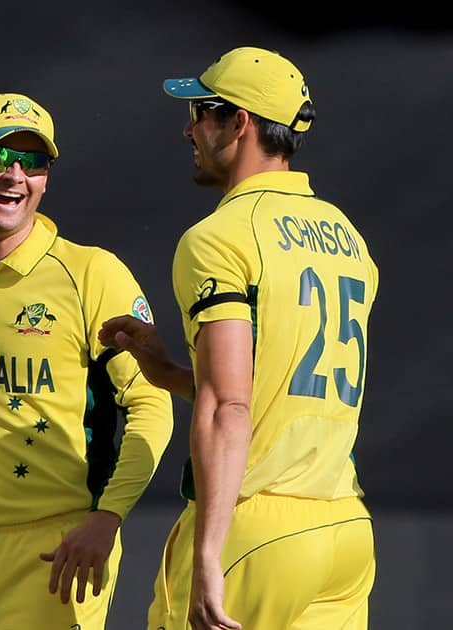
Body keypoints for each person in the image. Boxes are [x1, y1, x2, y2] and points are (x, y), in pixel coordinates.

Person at [99, 46, 378, 629]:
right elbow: (281, 380)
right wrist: (168, 372)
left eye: (200, 111)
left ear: (239, 122)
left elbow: (231, 404)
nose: (188, 128)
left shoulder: (220, 236)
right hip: (345, 529)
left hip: (257, 531)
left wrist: (208, 554)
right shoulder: (347, 237)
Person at [0, 93, 174, 630]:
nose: (15, 176)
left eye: (34, 162)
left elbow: (151, 402)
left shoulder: (91, 272)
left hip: (57, 547)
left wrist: (107, 517)